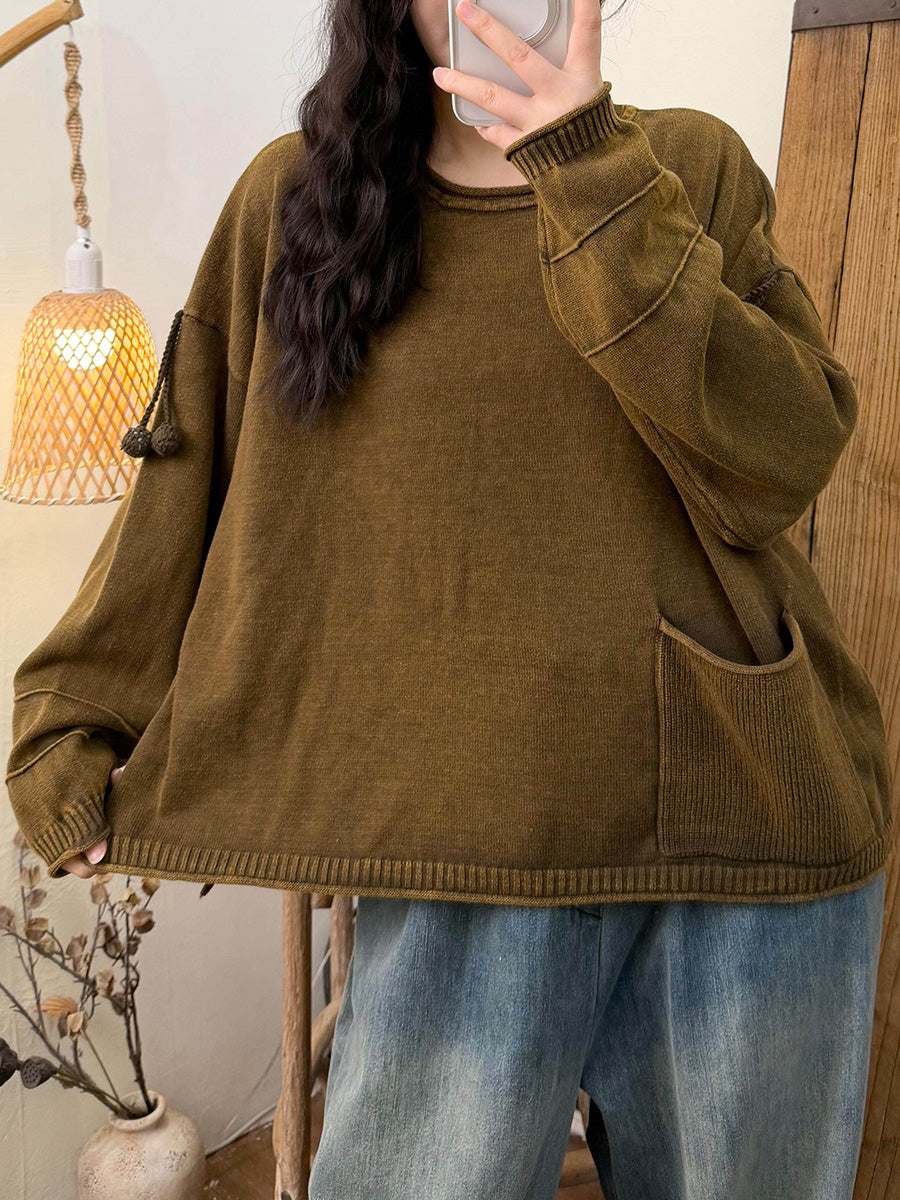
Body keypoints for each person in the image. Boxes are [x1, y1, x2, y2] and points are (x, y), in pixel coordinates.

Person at [6, 1, 891, 1197]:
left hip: (741, 824)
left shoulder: (690, 166)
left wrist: (586, 168)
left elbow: (784, 458)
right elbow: (189, 465)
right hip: (452, 838)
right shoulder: (295, 202)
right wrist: (76, 713)